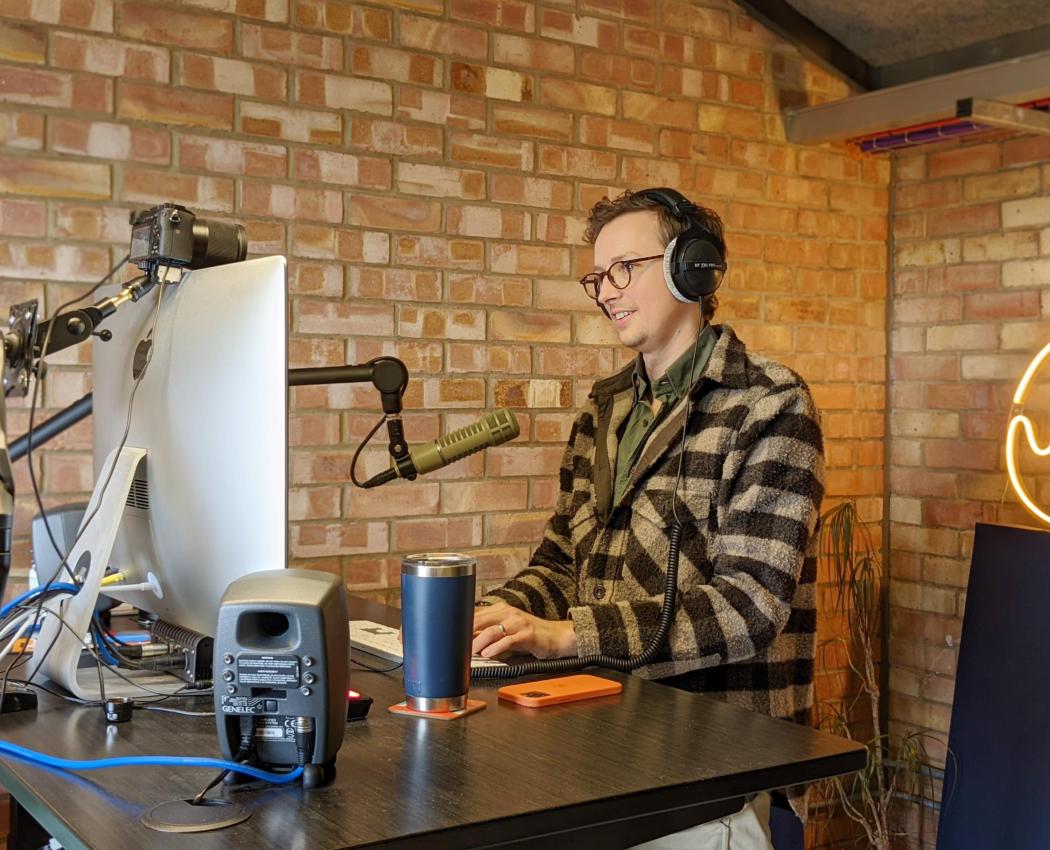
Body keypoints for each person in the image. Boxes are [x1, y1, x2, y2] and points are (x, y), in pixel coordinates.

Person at [472, 188, 825, 848]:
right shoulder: (602, 412)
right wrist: (497, 620)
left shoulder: (771, 404)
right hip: (604, 756)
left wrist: (563, 638)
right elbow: (558, 566)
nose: (606, 291)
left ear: (693, 267)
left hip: (721, 774)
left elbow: (749, 606)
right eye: (597, 278)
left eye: (622, 269)